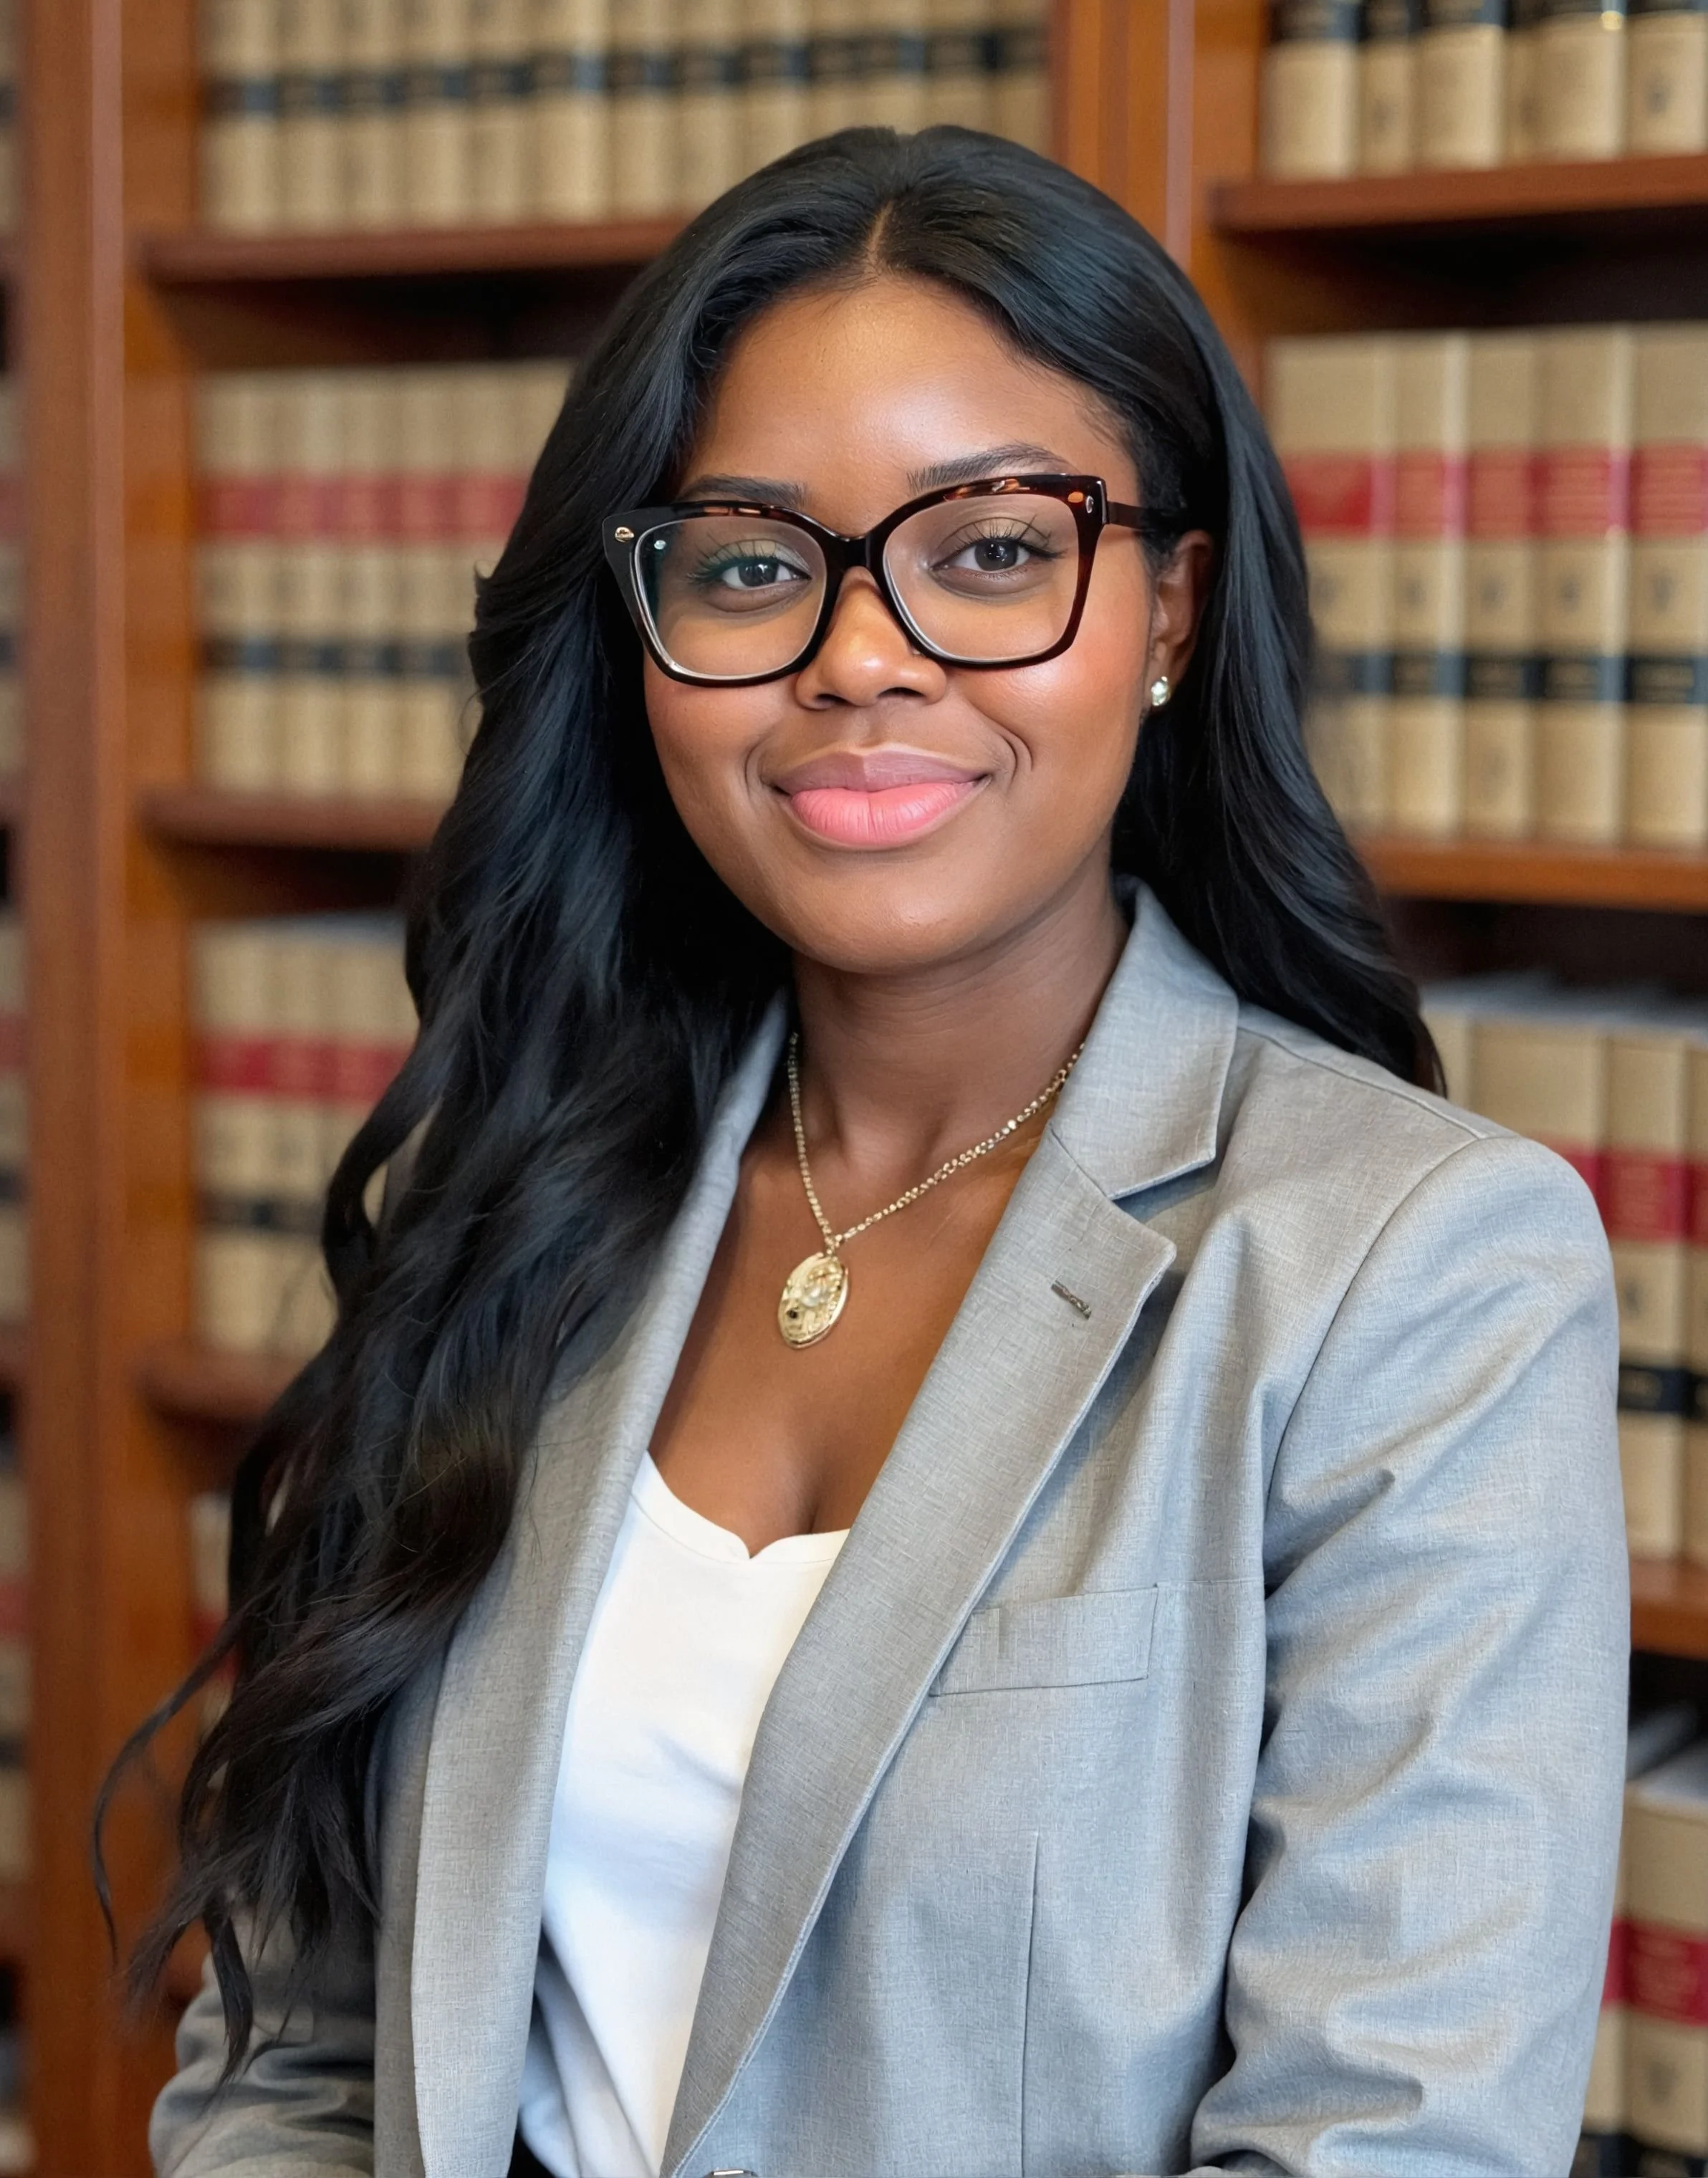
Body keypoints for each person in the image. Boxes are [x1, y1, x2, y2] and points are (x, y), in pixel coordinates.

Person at [139, 127, 1625, 2178]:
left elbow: (1395, 2140)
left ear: (1170, 609)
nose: (860, 655)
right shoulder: (528, 1200)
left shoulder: (1415, 1273)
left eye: (993, 550)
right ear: (646, 638)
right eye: (754, 562)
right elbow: (294, 2055)